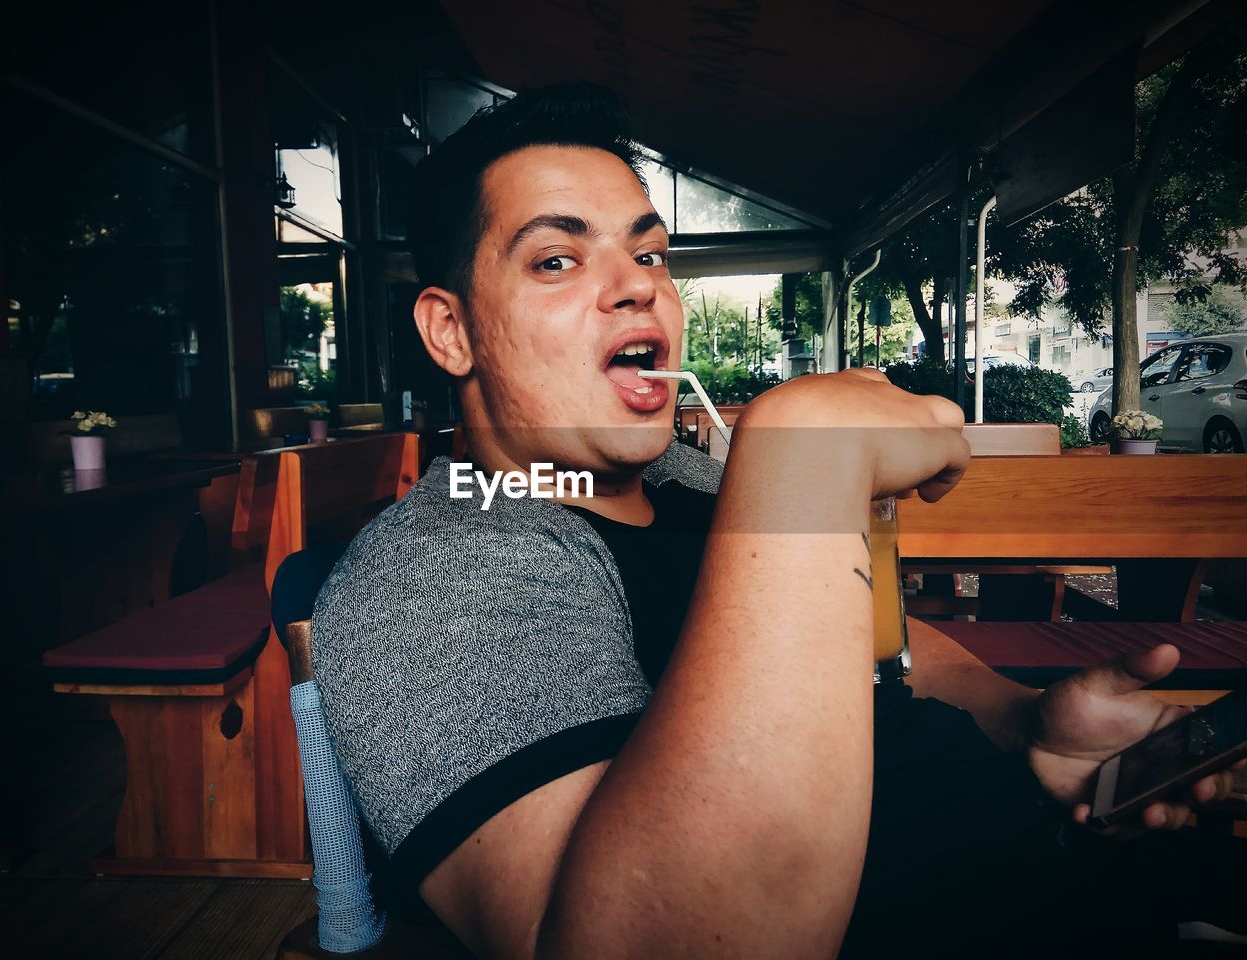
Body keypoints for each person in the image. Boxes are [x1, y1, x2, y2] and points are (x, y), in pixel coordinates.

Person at [311, 84, 1244, 959]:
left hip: (1097, 871)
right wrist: (799, 447)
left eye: (649, 254)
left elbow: (875, 648)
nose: (640, 287)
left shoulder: (686, 479)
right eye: (557, 259)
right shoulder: (438, 567)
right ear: (452, 332)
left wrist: (1024, 722)